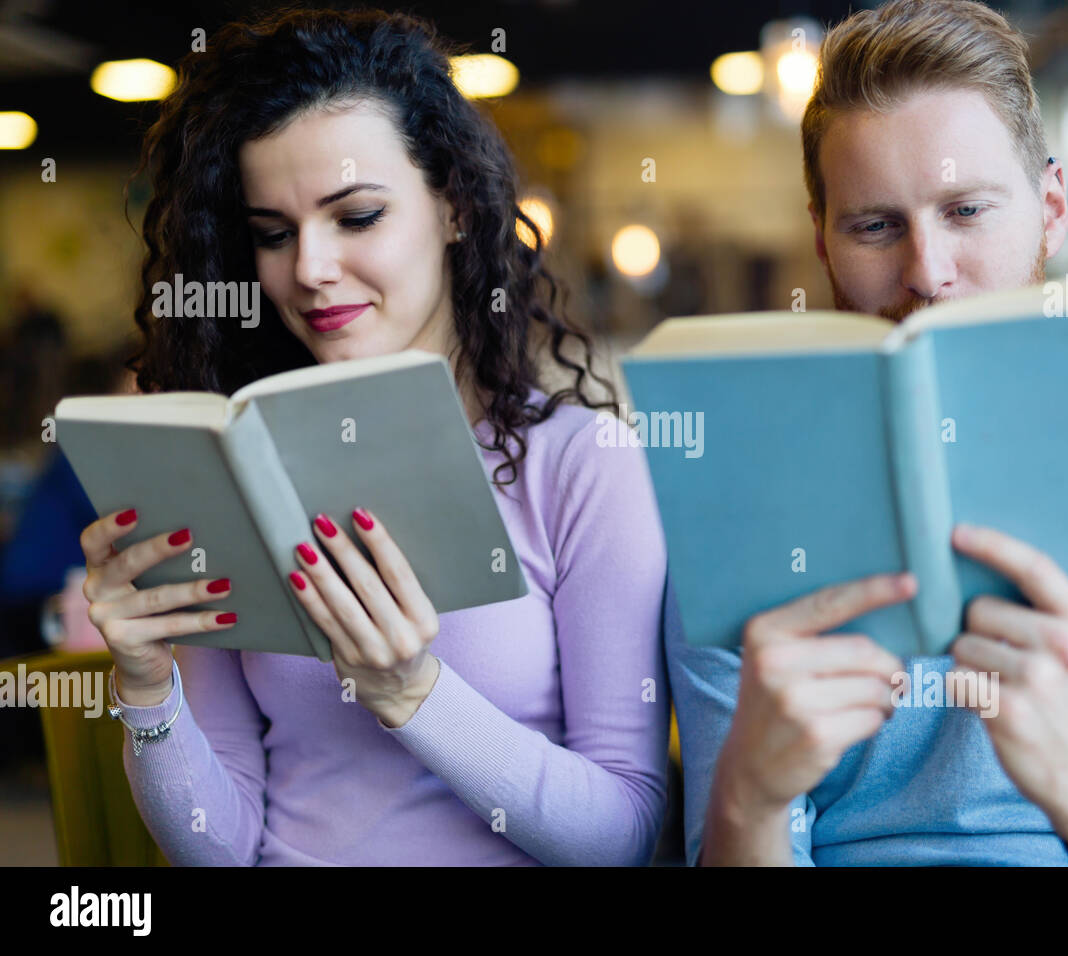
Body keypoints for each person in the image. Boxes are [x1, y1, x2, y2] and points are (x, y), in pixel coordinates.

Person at [667, 0, 1068, 866]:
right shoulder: (741, 532)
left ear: (1050, 207)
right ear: (822, 240)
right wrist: (749, 797)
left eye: (965, 210)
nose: (926, 273)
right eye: (876, 225)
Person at [78, 7, 669, 866]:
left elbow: (622, 835)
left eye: (355, 217)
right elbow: (219, 847)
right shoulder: (238, 471)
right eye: (273, 234)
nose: (308, 269)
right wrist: (146, 685)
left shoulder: (580, 466)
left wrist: (411, 692)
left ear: (456, 207)